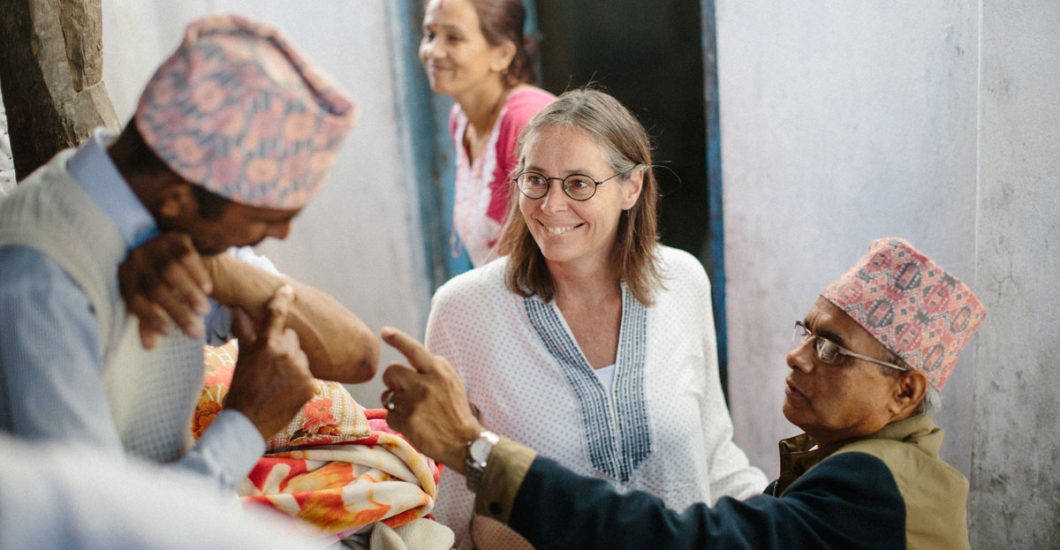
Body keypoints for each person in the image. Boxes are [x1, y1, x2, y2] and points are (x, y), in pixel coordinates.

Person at [380, 237, 987, 549]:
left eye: (832, 349)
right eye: (806, 332)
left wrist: (475, 449)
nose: (797, 357)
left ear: (903, 393)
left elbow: (680, 541)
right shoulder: (467, 308)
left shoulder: (873, 488)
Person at [0, 14, 379, 492]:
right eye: (265, 221)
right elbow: (89, 532)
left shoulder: (167, 227)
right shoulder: (41, 279)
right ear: (178, 197)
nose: (280, 234)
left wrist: (220, 272)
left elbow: (358, 357)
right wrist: (247, 424)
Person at [420, 89, 765, 548]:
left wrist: (782, 524)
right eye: (536, 179)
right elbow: (449, 497)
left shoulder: (682, 282)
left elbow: (714, 454)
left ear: (632, 187)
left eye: (579, 183)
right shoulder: (464, 310)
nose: (551, 205)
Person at [420, 0, 555, 267]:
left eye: (454, 38)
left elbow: (556, 250)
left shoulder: (526, 122)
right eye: (430, 35)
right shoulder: (461, 119)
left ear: (502, 55)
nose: (433, 52)